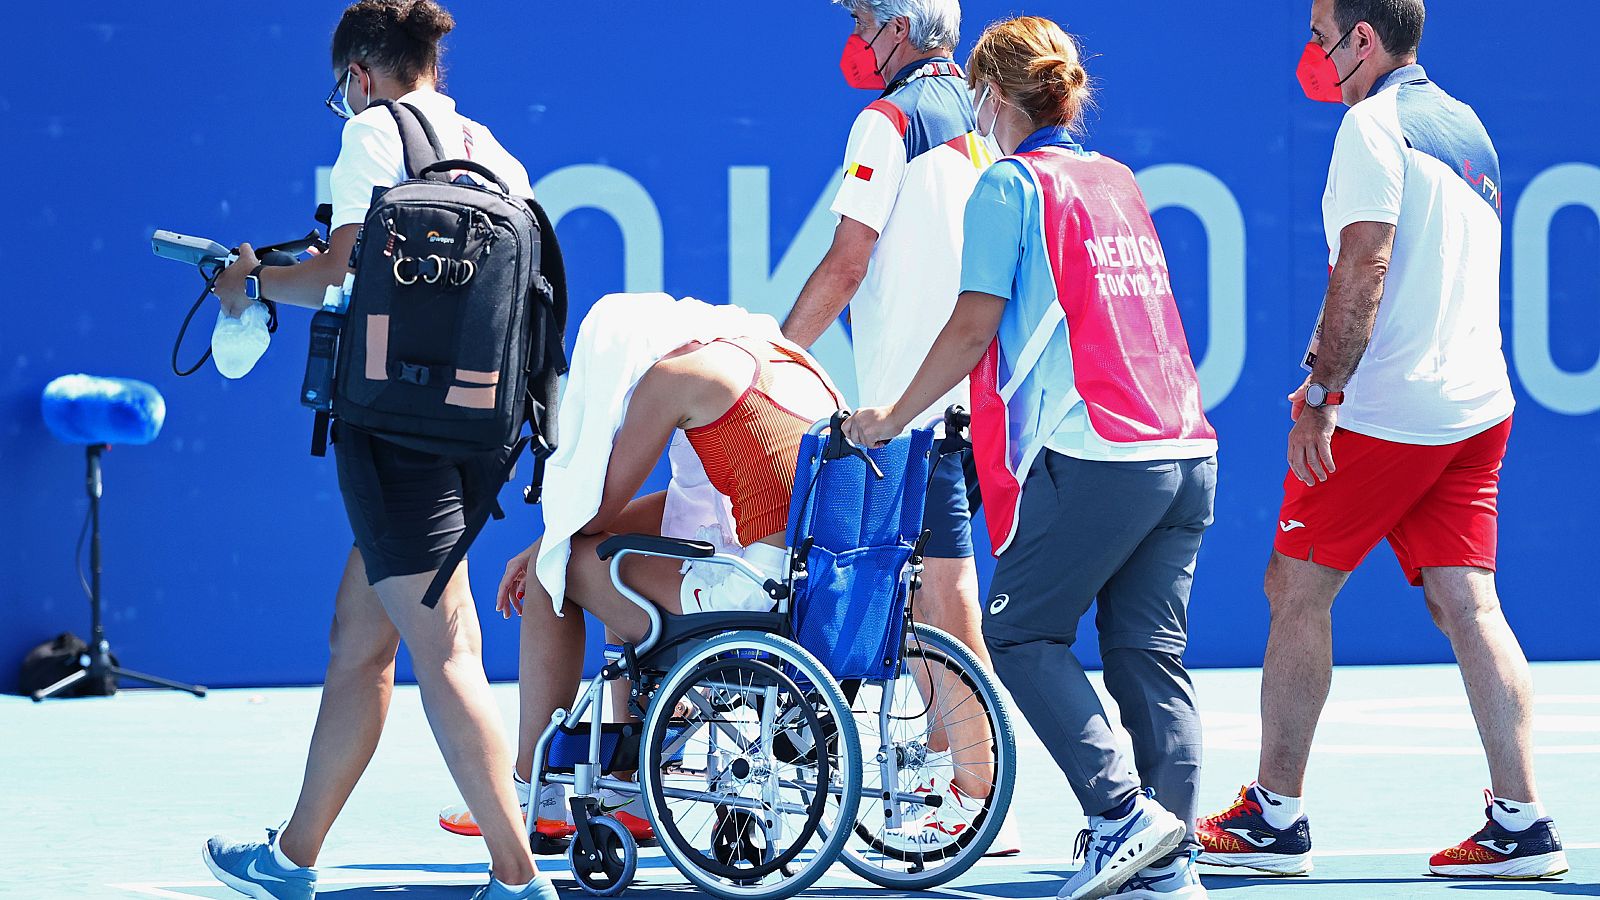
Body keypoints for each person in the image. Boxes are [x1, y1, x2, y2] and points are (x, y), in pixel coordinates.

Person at [846, 14, 1220, 900]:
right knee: (1147, 656)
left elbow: (974, 325)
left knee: (1018, 632)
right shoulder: (1117, 177)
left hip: (1098, 452)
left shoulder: (1008, 186)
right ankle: (1168, 866)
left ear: (990, 94)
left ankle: (1123, 816)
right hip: (1187, 449)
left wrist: (891, 416)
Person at [1195, 0, 1569, 883]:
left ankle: (1273, 816)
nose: (1311, 50)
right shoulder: (1467, 126)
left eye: (1320, 33)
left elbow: (1366, 263)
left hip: (1386, 411)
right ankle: (1523, 821)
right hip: (1475, 405)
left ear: (1363, 39)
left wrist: (1325, 392)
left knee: (1295, 587)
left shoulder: (1370, 126)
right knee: (1469, 604)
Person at [200, 3, 556, 899]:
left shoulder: (370, 132)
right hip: (477, 430)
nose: (343, 100)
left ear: (361, 73)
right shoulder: (493, 149)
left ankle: (518, 879)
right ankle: (292, 858)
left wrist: (248, 284)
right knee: (359, 642)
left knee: (445, 654)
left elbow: (337, 275)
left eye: (342, 87)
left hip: (393, 428)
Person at [433, 302, 844, 842]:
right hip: (814, 594)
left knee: (559, 568)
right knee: (612, 555)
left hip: (752, 598)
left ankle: (537, 790)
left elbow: (596, 510)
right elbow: (690, 507)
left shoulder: (674, 377)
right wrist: (553, 540)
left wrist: (542, 551)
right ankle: (630, 785)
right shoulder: (786, 363)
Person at [784, 0, 1019, 853]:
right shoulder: (989, 111)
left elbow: (847, 264)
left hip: (913, 409)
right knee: (926, 594)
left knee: (941, 600)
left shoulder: (885, 121)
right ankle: (939, 762)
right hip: (979, 401)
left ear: (900, 27)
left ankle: (982, 795)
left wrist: (771, 354)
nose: (857, 39)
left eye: (864, 21)